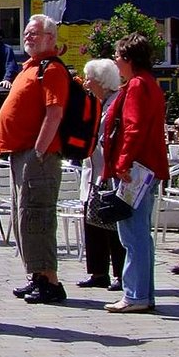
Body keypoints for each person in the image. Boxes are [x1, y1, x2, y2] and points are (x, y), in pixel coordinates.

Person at [0, 15, 69, 305]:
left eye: (35, 34)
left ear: (51, 38)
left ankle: (48, 279)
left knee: (37, 217)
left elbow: (55, 112)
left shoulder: (51, 69)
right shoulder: (32, 68)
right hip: (22, 154)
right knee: (24, 218)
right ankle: (36, 275)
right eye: (26, 33)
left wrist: (39, 150)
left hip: (37, 156)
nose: (28, 37)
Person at [100, 34, 169, 314]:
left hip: (135, 169)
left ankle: (135, 294)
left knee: (131, 233)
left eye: (118, 56)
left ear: (128, 59)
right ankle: (143, 292)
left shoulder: (137, 86)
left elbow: (134, 127)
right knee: (139, 232)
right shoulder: (149, 84)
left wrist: (123, 162)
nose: (115, 61)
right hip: (147, 167)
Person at [78, 58, 125, 291]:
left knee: (111, 223)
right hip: (93, 169)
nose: (87, 83)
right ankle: (98, 272)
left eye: (90, 79)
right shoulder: (95, 102)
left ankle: (119, 273)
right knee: (92, 220)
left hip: (109, 172)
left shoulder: (116, 102)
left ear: (102, 82)